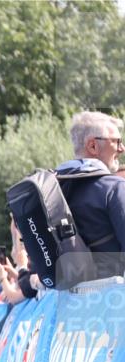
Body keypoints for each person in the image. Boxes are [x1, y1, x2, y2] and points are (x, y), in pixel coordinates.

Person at [52, 111, 125, 279]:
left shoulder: (56, 191)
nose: (122, 148)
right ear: (93, 146)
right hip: (113, 298)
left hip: (70, 300)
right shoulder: (114, 188)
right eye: (116, 142)